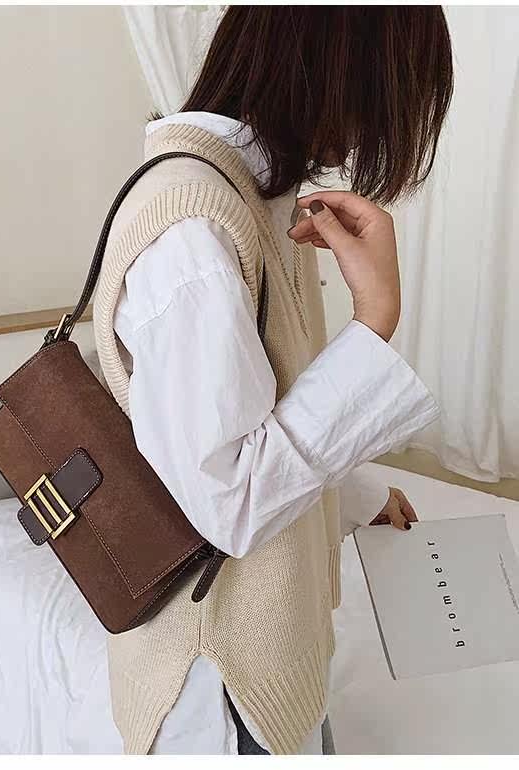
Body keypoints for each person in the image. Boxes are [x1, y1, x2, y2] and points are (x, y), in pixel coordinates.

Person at [92, 6, 453, 755]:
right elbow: (231, 497)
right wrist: (375, 318)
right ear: (336, 69)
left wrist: (360, 495)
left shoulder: (253, 202)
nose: (367, 134)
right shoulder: (193, 228)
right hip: (223, 682)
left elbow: (261, 414)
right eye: (384, 98)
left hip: (267, 658)